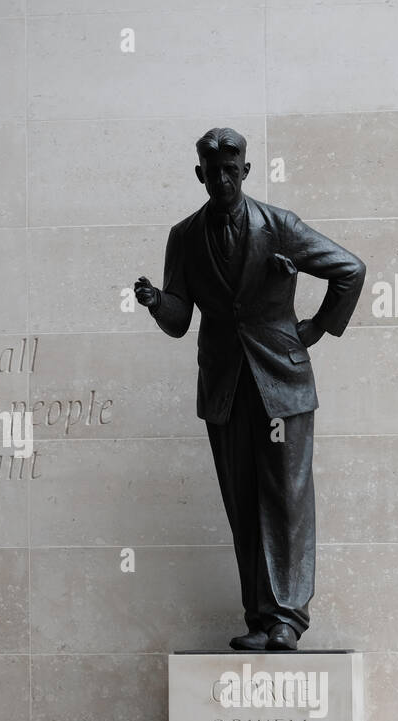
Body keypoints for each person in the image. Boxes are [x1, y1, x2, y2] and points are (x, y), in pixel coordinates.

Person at [134, 127, 365, 652]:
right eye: (210, 171)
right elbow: (179, 319)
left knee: (285, 499)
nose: (220, 179)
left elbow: (350, 270)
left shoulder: (280, 227)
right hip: (226, 388)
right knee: (243, 503)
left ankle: (288, 618)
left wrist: (313, 329)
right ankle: (260, 619)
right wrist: (155, 302)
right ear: (200, 175)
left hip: (280, 384)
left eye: (230, 169)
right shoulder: (184, 237)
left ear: (245, 171)